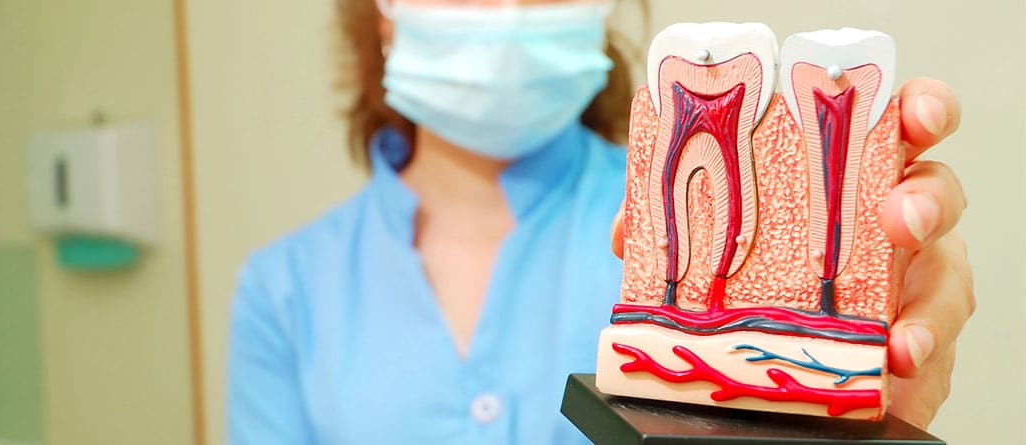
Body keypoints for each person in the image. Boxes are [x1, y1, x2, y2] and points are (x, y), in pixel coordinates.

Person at [227, 0, 974, 443]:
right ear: (381, 13)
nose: (508, 10)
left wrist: (847, 416)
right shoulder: (284, 292)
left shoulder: (700, 230)